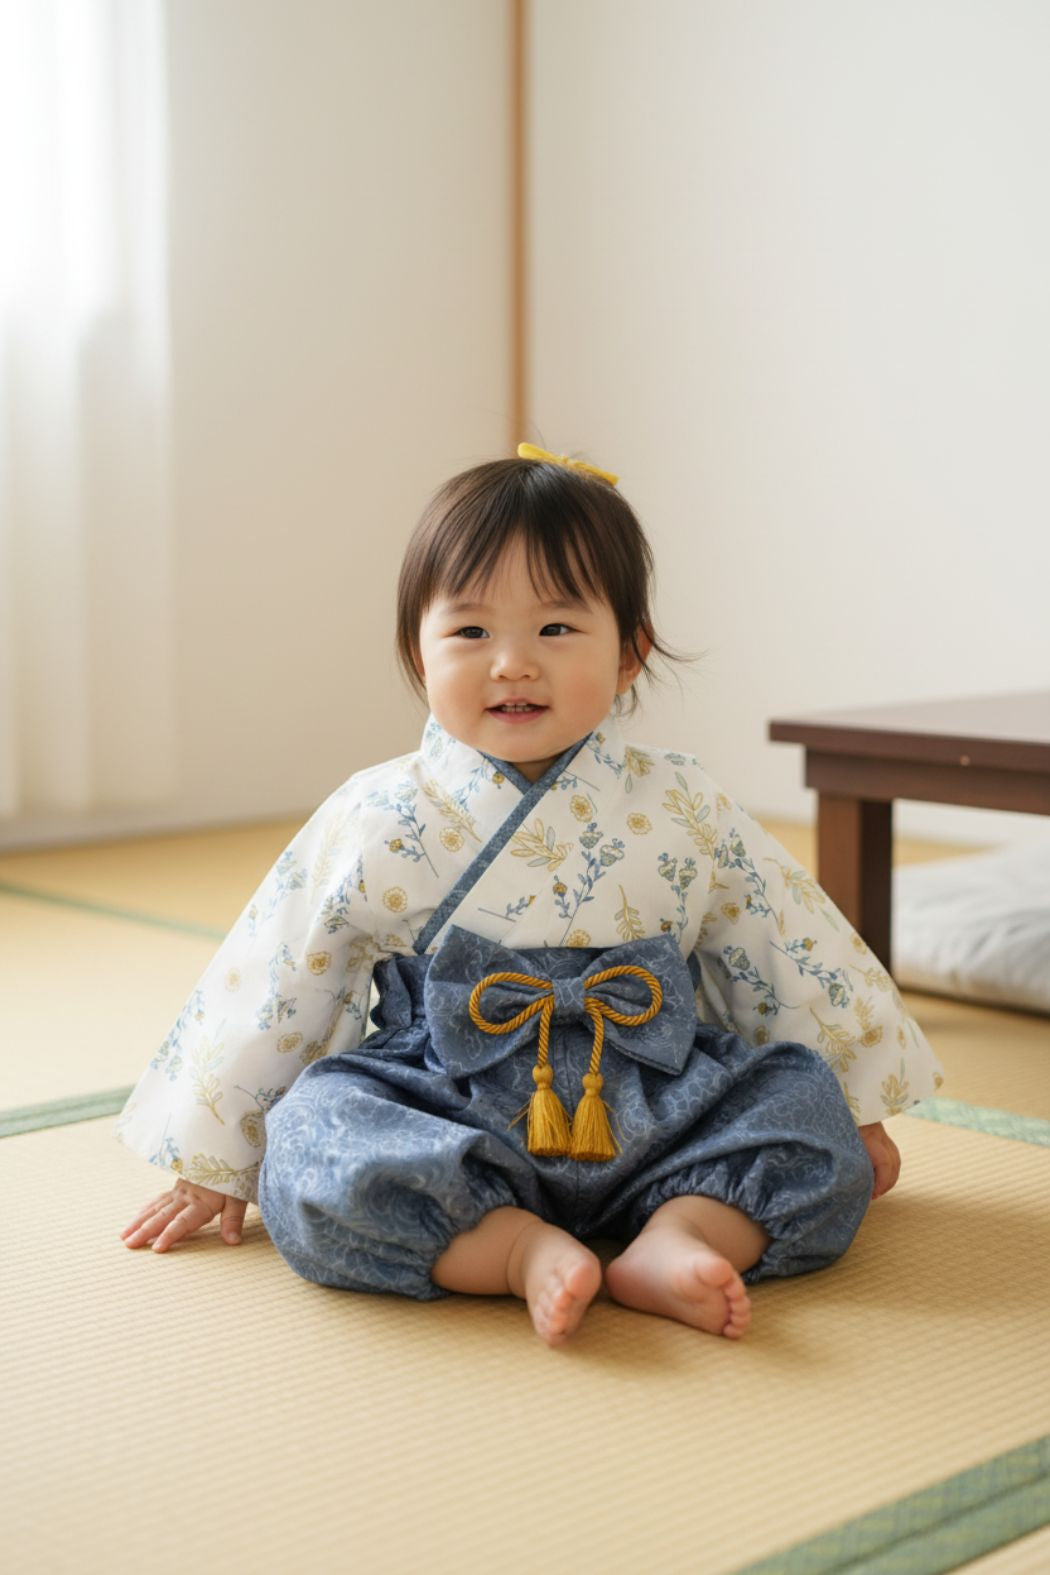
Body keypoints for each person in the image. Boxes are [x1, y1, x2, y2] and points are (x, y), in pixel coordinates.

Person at [118, 444, 944, 1346]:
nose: (512, 663)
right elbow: (283, 973)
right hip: (441, 1104)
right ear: (418, 653)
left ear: (629, 655)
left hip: (661, 1099)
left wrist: (856, 1101)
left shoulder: (683, 803)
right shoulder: (378, 813)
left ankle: (678, 1236)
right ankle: (514, 1250)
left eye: (556, 630)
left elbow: (780, 944)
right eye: (470, 633)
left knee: (808, 1121)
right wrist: (217, 1156)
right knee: (315, 1141)